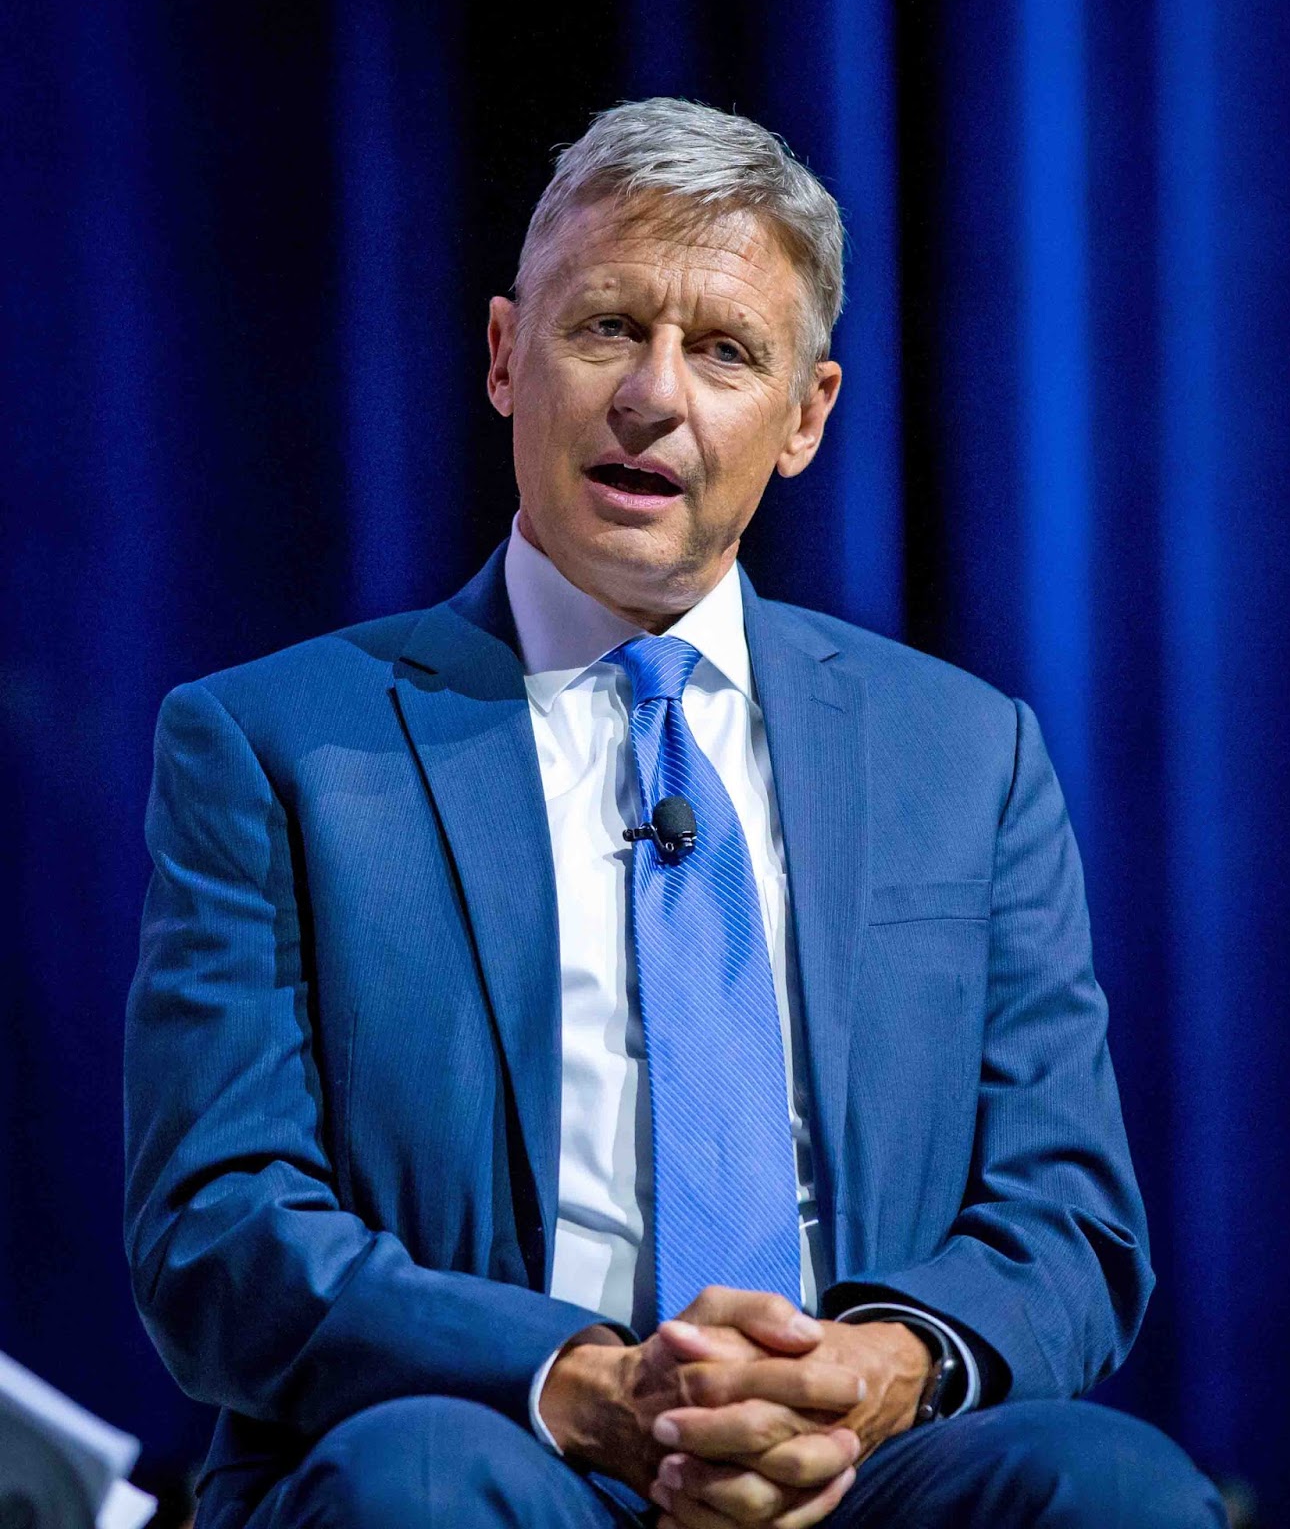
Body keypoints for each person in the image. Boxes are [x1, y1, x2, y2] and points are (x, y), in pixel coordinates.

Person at [123, 98, 1224, 1528]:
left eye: (723, 352)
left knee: (1112, 1488)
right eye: (605, 331)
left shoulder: (969, 752)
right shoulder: (275, 745)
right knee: (416, 1490)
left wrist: (868, 1375)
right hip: (495, 1443)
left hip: (860, 1467)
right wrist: (580, 1381)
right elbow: (216, 1227)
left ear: (808, 416)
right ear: (508, 357)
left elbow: (1067, 1219)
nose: (654, 396)